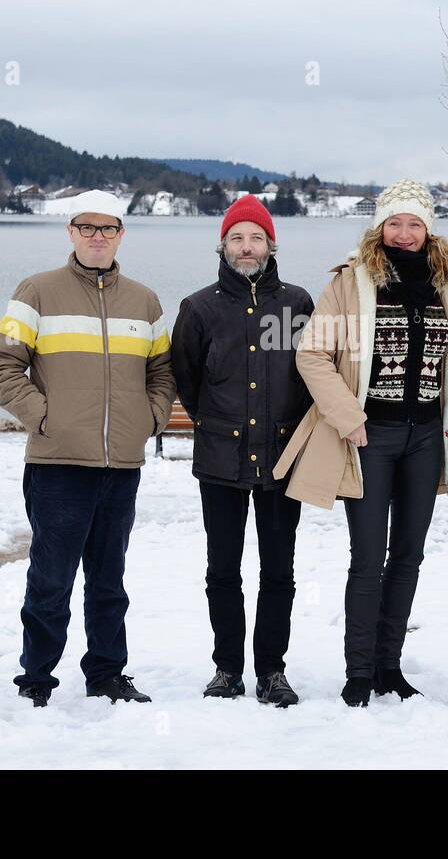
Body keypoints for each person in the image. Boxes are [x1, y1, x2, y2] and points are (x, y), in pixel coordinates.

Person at [274, 180, 448, 707]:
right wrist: (348, 418)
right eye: (394, 223)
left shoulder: (447, 281)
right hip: (369, 436)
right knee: (367, 557)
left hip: (428, 438)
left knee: (409, 555)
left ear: (427, 230)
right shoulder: (351, 282)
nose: (403, 233)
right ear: (380, 227)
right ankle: (358, 671)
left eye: (414, 224)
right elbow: (312, 354)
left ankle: (389, 667)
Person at [0, 205, 175, 707]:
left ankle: (108, 674)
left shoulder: (144, 300)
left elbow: (162, 374)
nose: (97, 236)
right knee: (51, 578)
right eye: (86, 227)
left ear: (120, 235)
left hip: (121, 466)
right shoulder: (37, 290)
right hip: (58, 464)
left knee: (109, 580)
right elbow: (2, 365)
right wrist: (44, 418)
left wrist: (150, 419)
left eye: (107, 228)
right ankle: (36, 679)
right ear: (71, 232)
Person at [170, 195, 314, 707]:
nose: (246, 247)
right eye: (237, 237)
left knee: (279, 571)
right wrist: (218, 424)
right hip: (220, 460)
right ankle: (227, 668)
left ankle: (271, 670)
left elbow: (310, 373)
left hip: (282, 460)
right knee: (222, 571)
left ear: (271, 245)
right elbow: (186, 380)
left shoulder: (297, 304)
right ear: (223, 245)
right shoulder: (199, 307)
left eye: (256, 238)